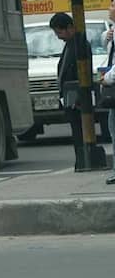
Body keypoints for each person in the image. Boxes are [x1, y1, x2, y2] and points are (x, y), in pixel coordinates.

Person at [49, 12, 89, 170]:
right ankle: (80, 160)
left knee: (80, 131)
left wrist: (79, 96)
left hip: (77, 97)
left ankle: (83, 160)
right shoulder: (69, 45)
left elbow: (82, 72)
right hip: (69, 96)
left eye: (60, 32)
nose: (59, 37)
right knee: (76, 130)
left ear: (70, 28)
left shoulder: (80, 45)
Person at [100, 0, 115, 184]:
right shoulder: (111, 31)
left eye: (113, 6)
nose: (109, 8)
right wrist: (107, 36)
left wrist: (107, 78)